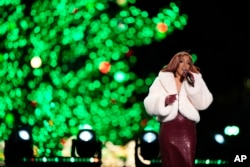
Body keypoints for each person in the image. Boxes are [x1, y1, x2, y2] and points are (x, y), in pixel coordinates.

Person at [143, 51, 213, 167]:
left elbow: (204, 103)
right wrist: (163, 101)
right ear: (175, 63)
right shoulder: (162, 79)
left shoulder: (195, 79)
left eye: (188, 63)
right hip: (168, 128)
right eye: (181, 61)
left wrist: (193, 86)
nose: (185, 65)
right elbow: (148, 103)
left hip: (187, 128)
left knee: (188, 162)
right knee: (170, 162)